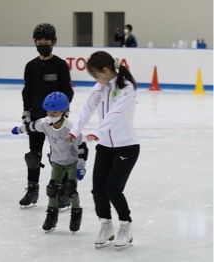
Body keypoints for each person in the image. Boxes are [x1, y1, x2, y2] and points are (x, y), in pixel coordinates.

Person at [65, 51, 140, 249]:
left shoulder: (127, 88)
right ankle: (106, 226)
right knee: (98, 189)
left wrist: (97, 132)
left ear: (106, 70)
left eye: (97, 75)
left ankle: (126, 225)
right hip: (105, 147)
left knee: (113, 189)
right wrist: (74, 131)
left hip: (127, 147)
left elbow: (115, 114)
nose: (97, 79)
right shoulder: (100, 87)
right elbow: (86, 109)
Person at [12, 92, 88, 233]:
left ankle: (76, 213)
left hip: (72, 162)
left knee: (71, 189)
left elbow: (82, 147)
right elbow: (32, 126)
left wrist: (81, 166)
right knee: (52, 188)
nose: (51, 115)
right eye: (48, 111)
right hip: (57, 162)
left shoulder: (71, 128)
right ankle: (51, 216)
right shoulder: (45, 123)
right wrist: (19, 129)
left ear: (64, 111)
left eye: (54, 112)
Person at [19, 23, 74, 208]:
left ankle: (64, 191)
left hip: (56, 120)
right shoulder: (31, 66)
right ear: (35, 42)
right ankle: (32, 190)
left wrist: (62, 113)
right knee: (33, 156)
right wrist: (26, 113)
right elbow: (27, 91)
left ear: (53, 42)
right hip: (36, 117)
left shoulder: (60, 65)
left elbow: (67, 90)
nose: (43, 43)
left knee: (58, 156)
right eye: (39, 40)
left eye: (46, 40)